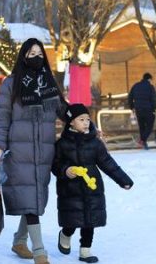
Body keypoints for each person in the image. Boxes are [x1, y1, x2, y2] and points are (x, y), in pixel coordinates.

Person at [0, 38, 67, 264]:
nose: (36, 57)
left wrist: (88, 126)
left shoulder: (49, 83)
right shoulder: (11, 84)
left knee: (33, 199)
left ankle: (19, 241)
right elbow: (2, 117)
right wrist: (0, 147)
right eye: (31, 53)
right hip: (18, 152)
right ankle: (40, 252)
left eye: (40, 53)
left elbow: (64, 110)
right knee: (29, 198)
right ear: (23, 56)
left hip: (44, 152)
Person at [53, 104, 133, 263]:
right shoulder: (62, 144)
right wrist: (65, 170)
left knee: (90, 220)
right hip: (70, 189)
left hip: (92, 187)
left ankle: (85, 251)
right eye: (81, 119)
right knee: (73, 220)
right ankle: (65, 234)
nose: (86, 122)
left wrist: (123, 180)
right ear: (71, 123)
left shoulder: (95, 143)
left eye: (88, 119)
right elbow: (55, 164)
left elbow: (107, 163)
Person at [128, 73, 156, 149]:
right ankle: (143, 140)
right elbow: (153, 99)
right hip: (148, 109)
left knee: (142, 126)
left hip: (138, 109)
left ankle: (143, 143)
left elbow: (130, 97)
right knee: (150, 126)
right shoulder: (150, 87)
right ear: (149, 79)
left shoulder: (135, 86)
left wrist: (132, 107)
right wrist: (154, 109)